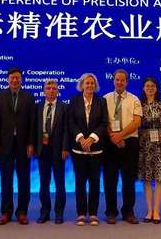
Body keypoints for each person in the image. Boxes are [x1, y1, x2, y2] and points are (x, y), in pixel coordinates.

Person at [0, 68, 35, 225]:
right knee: (6, 179)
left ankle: (22, 212)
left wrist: (31, 143)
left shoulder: (29, 97)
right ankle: (6, 212)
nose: (15, 80)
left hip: (23, 145)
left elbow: (32, 123)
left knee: (24, 179)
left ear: (21, 80)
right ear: (7, 79)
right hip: (5, 144)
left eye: (17, 78)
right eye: (12, 78)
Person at [102, 69, 142, 224]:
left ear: (127, 82)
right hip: (110, 142)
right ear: (113, 81)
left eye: (122, 80)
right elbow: (103, 121)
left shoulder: (134, 99)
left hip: (129, 143)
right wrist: (113, 136)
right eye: (117, 80)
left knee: (128, 180)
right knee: (109, 179)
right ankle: (111, 212)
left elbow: (136, 122)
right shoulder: (105, 99)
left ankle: (128, 212)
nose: (119, 82)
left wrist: (121, 135)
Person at [68, 73, 107, 226]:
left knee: (95, 182)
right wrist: (81, 139)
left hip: (96, 149)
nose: (90, 85)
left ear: (95, 85)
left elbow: (104, 123)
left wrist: (91, 138)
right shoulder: (74, 100)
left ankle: (93, 213)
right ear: (82, 85)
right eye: (87, 83)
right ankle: (81, 213)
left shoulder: (101, 101)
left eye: (92, 83)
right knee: (80, 182)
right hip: (78, 149)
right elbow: (71, 122)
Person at [34, 80, 68, 224]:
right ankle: (45, 212)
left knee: (60, 183)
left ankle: (59, 213)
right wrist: (33, 146)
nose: (51, 90)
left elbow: (67, 130)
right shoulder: (37, 107)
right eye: (48, 88)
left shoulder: (64, 107)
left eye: (54, 88)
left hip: (58, 150)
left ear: (58, 91)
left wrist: (65, 148)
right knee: (44, 183)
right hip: (42, 150)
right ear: (44, 91)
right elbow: (33, 129)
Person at [138, 77, 161, 224]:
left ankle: (156, 211)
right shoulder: (139, 104)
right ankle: (149, 210)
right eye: (147, 86)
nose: (150, 88)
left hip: (159, 143)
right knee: (146, 179)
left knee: (158, 179)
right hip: (144, 144)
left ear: (156, 88)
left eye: (152, 86)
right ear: (143, 88)